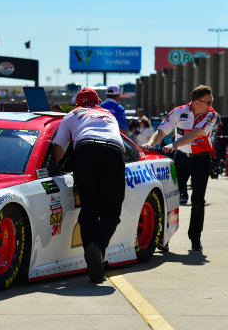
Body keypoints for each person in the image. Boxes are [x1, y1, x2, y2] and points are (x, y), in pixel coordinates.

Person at [51, 88, 125, 283]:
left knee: (89, 211)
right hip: (113, 153)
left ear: (77, 104)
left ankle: (93, 257)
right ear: (98, 101)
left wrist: (54, 167)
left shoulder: (72, 115)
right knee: (111, 212)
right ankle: (98, 248)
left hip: (85, 152)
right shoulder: (108, 113)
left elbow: (58, 149)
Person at [142, 85, 217, 252]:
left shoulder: (211, 114)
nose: (211, 104)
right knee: (172, 199)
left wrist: (174, 144)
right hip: (181, 159)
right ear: (197, 102)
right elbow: (161, 132)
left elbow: (197, 133)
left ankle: (195, 238)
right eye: (208, 101)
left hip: (201, 160)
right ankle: (164, 239)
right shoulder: (178, 112)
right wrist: (149, 144)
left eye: (212, 101)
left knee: (198, 201)